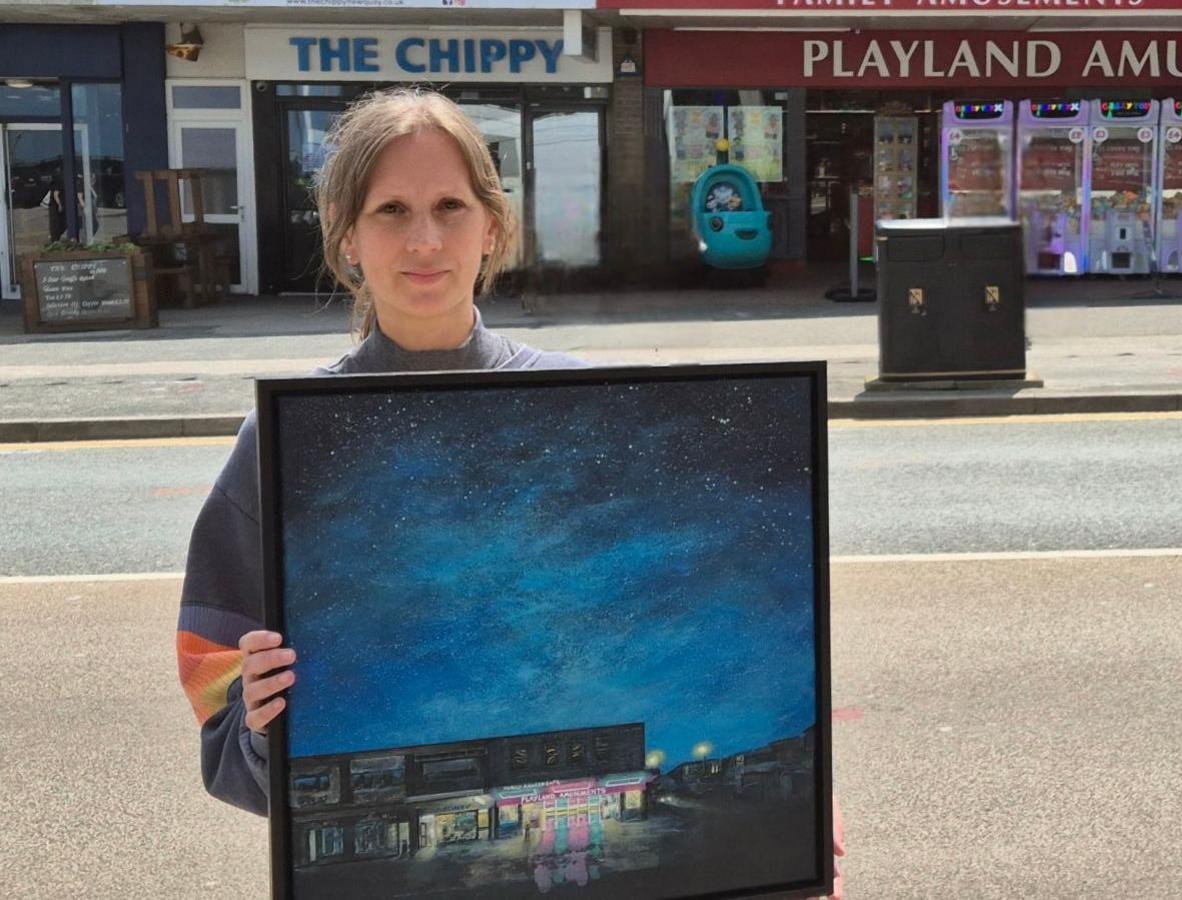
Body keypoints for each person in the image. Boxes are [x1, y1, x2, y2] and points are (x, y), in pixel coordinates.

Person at [174, 86, 845, 897]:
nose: (424, 238)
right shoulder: (280, 445)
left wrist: (799, 815)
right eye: (391, 210)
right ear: (346, 238)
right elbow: (218, 713)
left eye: (450, 205)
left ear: (492, 228)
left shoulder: (588, 408)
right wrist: (257, 726)